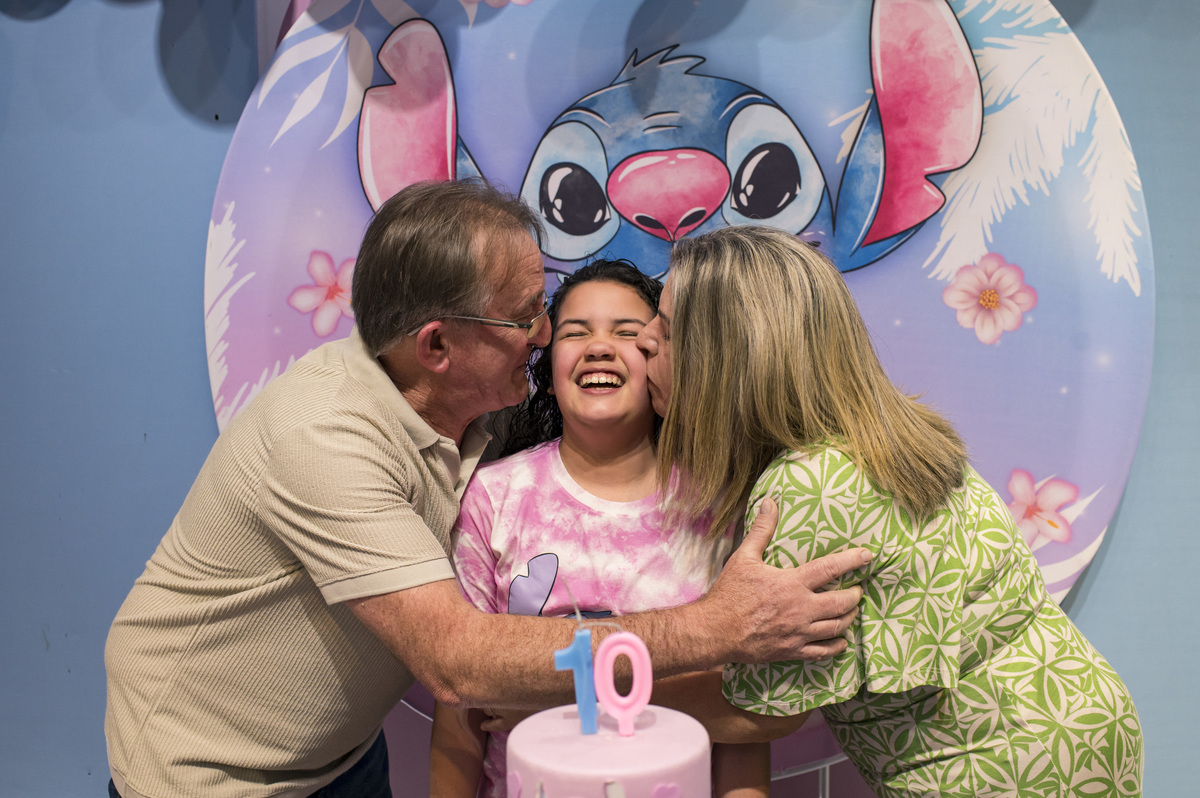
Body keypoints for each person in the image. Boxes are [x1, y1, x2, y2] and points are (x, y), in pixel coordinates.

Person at [103, 181, 871, 798]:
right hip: (212, 772)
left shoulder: (478, 421)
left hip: (342, 754)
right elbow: (460, 667)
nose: (542, 336)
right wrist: (714, 629)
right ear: (436, 345)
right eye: (528, 317)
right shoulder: (323, 435)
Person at [635, 224, 1144, 798]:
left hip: (998, 764)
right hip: (1076, 715)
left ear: (731, 360)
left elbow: (766, 711)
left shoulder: (808, 484)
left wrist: (589, 692)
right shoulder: (882, 432)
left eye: (671, 331)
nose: (644, 340)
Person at [429, 261, 779, 798]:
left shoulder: (721, 503)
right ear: (545, 369)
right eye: (575, 332)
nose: (599, 347)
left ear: (667, 358)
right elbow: (460, 709)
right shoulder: (493, 497)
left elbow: (743, 723)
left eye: (628, 333)